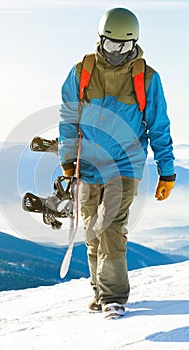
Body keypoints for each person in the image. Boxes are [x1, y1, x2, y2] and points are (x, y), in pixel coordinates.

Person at [58, 7, 175, 318]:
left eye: (124, 46)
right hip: (88, 165)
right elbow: (69, 118)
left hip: (125, 165)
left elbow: (159, 126)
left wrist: (168, 172)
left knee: (110, 227)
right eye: (111, 45)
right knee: (92, 232)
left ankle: (114, 298)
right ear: (100, 39)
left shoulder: (147, 78)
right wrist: (67, 160)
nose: (117, 52)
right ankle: (98, 293)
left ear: (134, 43)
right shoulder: (81, 71)